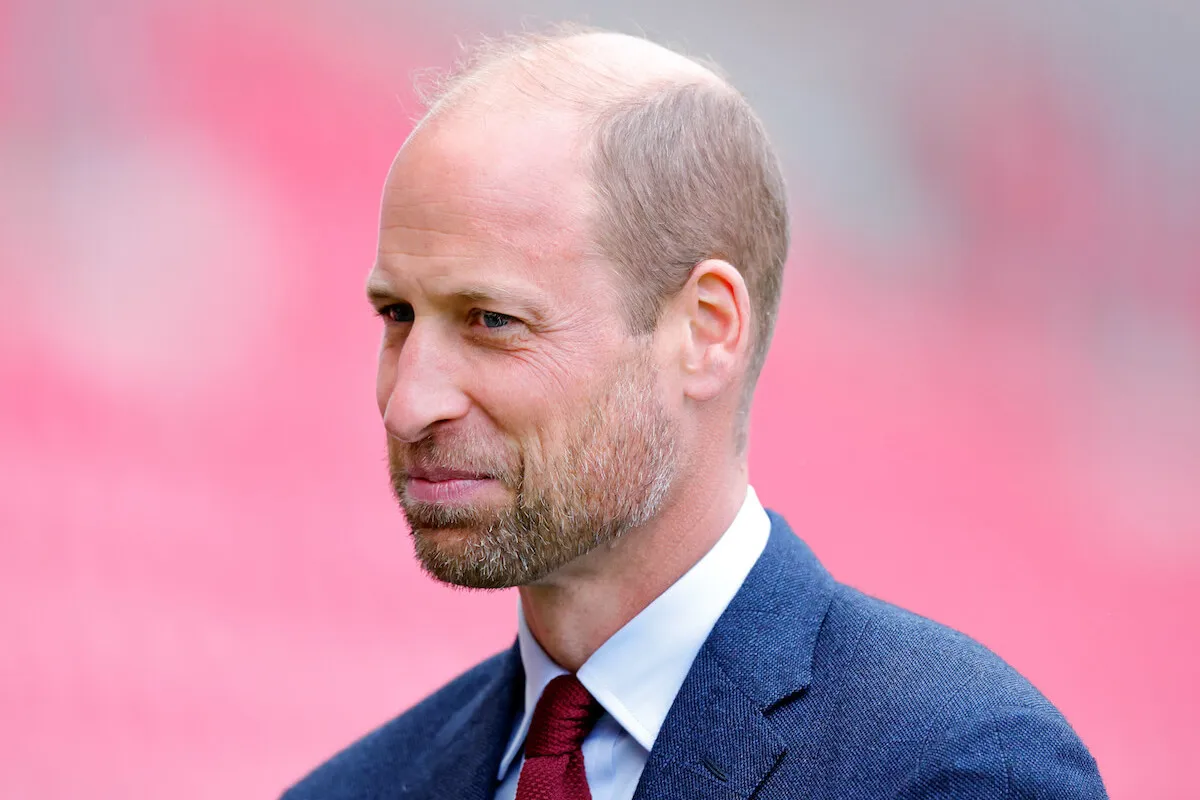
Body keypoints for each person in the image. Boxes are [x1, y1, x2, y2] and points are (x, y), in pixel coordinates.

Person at [283, 25, 1107, 800]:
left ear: (706, 331)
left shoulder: (950, 767)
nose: (408, 404)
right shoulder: (355, 788)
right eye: (397, 316)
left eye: (492, 321)